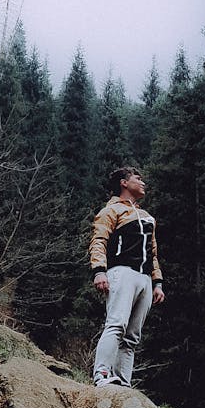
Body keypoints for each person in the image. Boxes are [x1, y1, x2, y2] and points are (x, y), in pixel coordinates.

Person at [89, 165, 164, 386]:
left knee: (132, 336)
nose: (143, 183)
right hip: (120, 272)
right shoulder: (110, 211)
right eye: (138, 179)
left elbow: (153, 253)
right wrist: (99, 271)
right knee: (116, 323)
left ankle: (123, 382)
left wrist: (157, 282)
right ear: (124, 183)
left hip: (144, 279)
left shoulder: (147, 217)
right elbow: (98, 241)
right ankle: (101, 374)